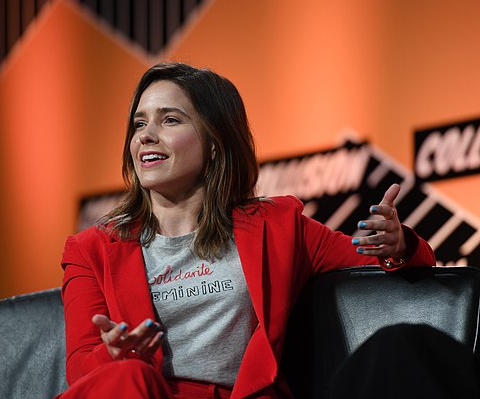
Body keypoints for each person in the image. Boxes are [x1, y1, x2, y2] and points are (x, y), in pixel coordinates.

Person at [55, 62, 436, 399]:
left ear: (215, 143)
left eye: (169, 120)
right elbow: (80, 376)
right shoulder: (91, 250)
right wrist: (113, 355)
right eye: (140, 123)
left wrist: (395, 243)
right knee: (130, 377)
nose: (145, 136)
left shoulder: (278, 227)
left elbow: (394, 259)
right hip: (136, 393)